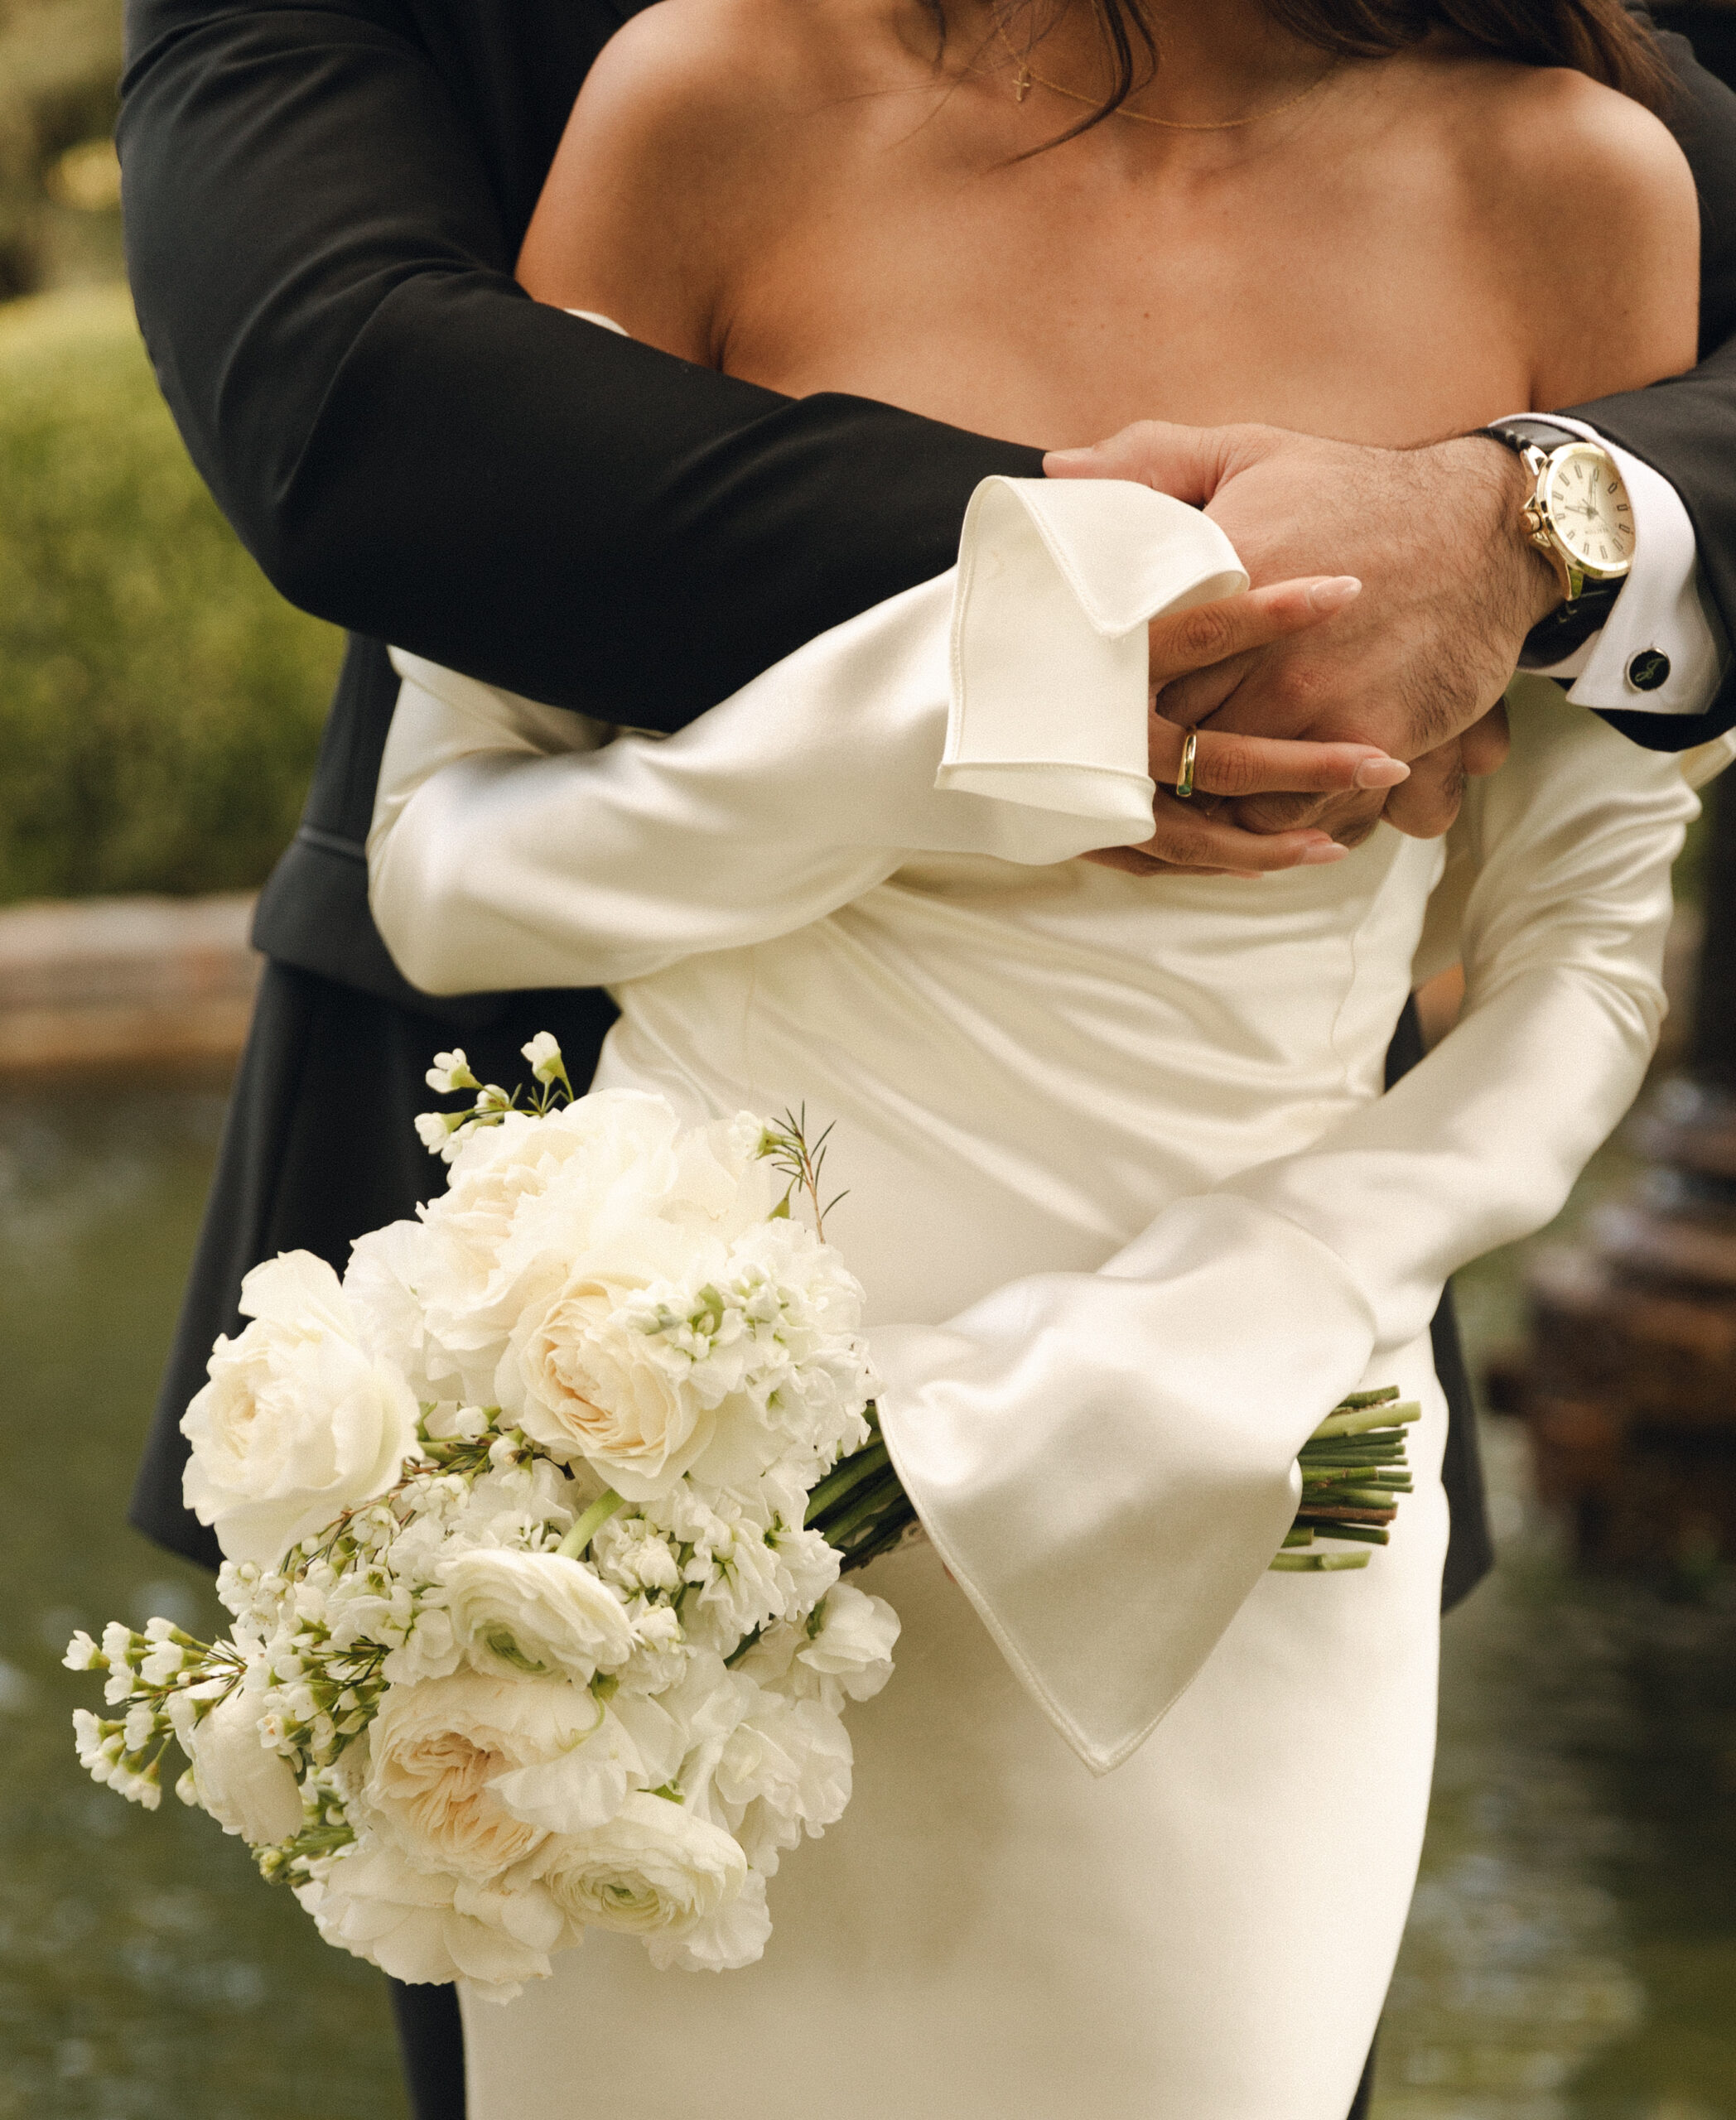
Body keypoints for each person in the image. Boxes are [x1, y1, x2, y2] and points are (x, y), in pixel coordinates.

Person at [112, 0, 1736, 2112]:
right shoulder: (706, 98)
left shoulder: (1578, 172)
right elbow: (350, 448)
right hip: (640, 1452)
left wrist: (1278, 1290)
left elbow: (1589, 947)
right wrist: (1029, 671)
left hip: (1252, 1461)